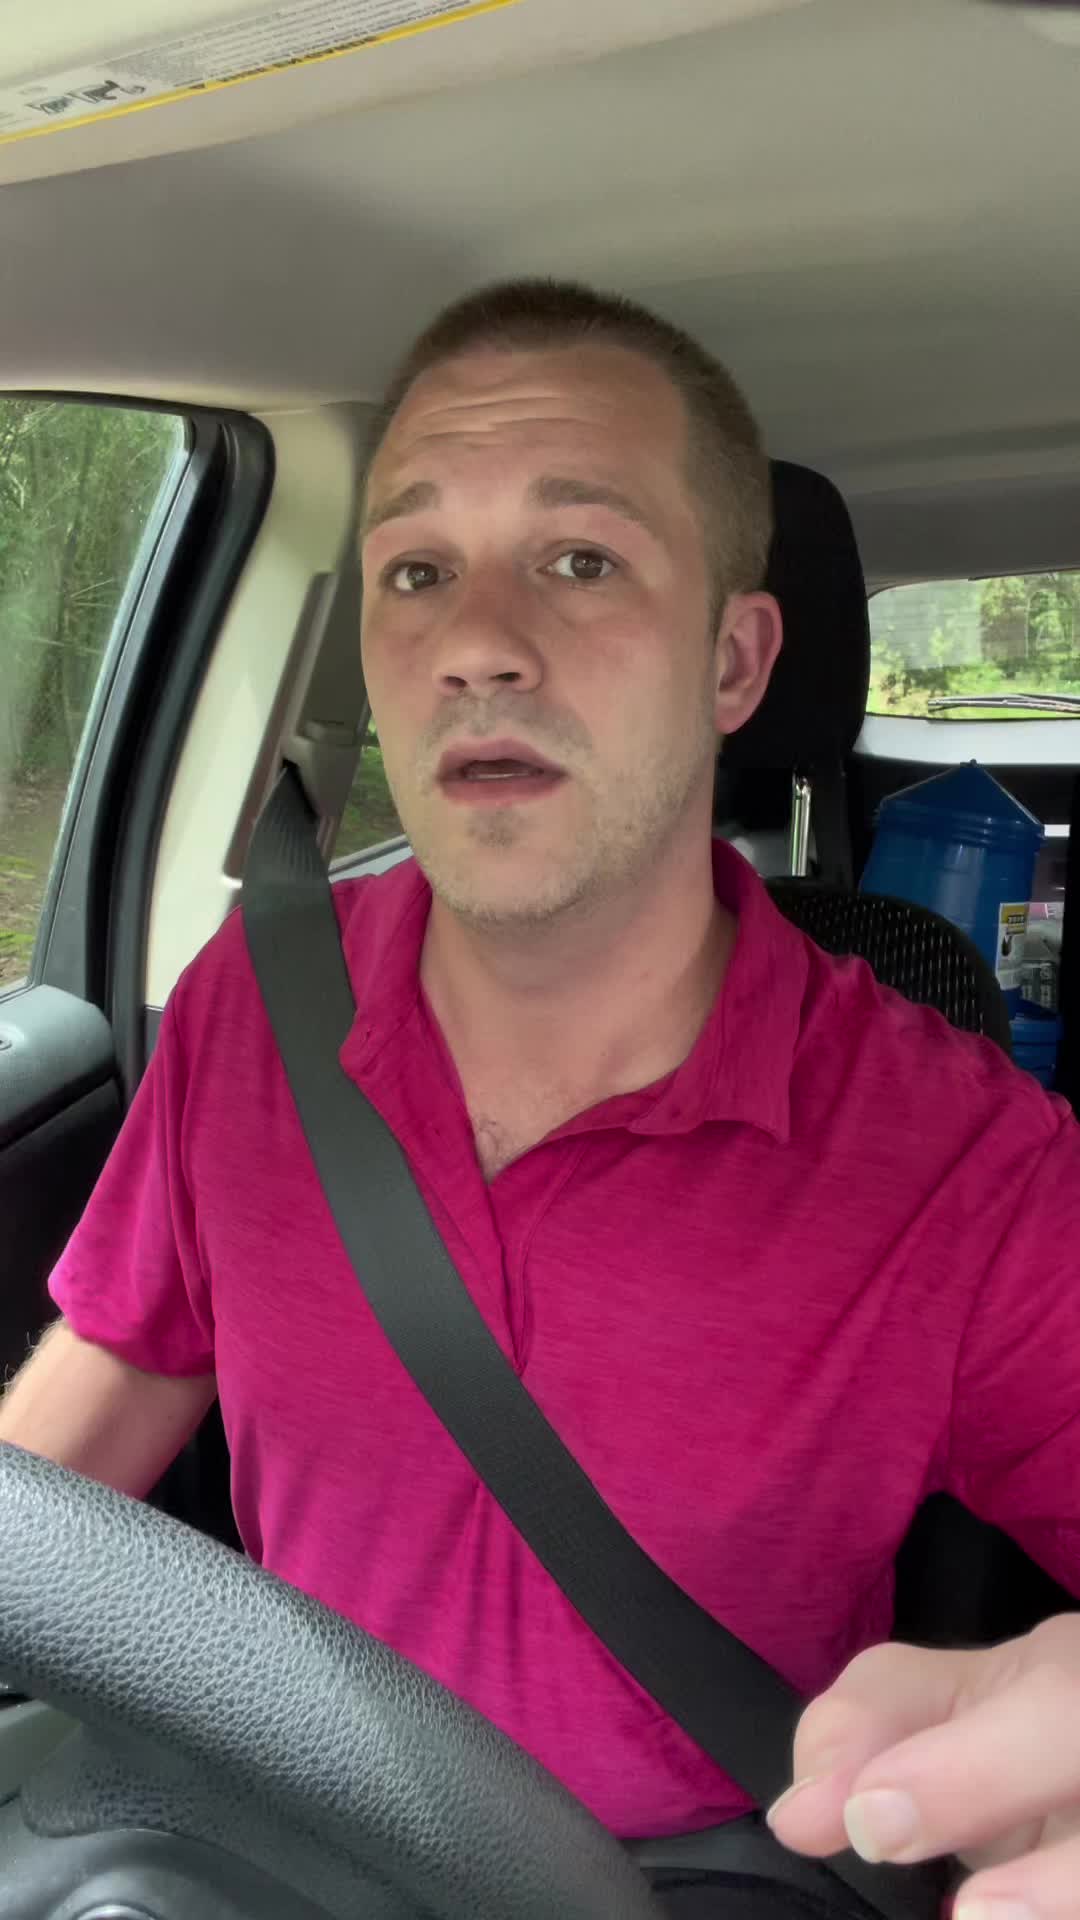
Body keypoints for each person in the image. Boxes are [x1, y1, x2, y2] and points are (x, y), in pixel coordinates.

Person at [2, 279, 1079, 1917]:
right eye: (416, 571)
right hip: (281, 1852)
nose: (477, 646)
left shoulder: (961, 1160)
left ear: (734, 659)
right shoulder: (255, 1005)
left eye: (580, 560)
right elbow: (108, 1394)